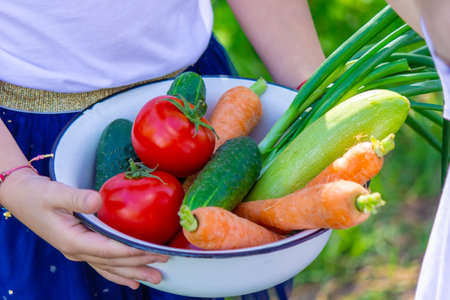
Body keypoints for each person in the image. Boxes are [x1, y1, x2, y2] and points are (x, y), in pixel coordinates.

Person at [0, 1, 324, 299]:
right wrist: (13, 180)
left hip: (197, 98)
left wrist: (311, 92)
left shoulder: (212, 127)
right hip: (25, 148)